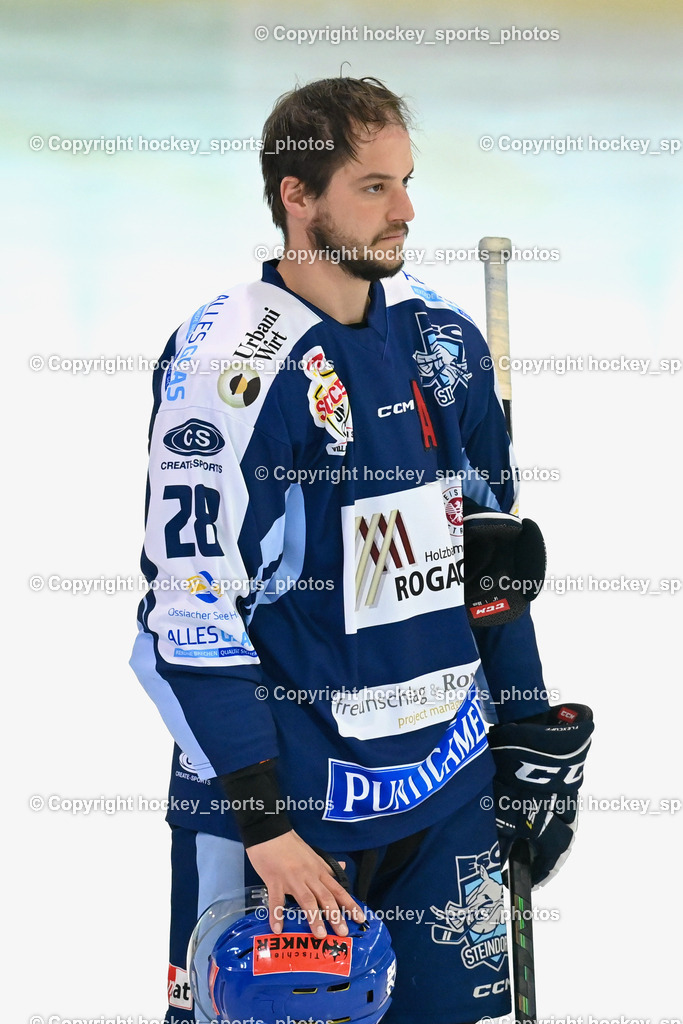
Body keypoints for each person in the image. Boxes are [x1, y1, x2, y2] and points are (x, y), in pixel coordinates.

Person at [130, 76, 592, 1024]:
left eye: (406, 183)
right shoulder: (229, 367)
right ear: (297, 196)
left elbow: (488, 565)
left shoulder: (442, 344)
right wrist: (263, 823)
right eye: (373, 187)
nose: (405, 211)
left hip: (445, 792)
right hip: (291, 823)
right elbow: (187, 609)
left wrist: (523, 727)